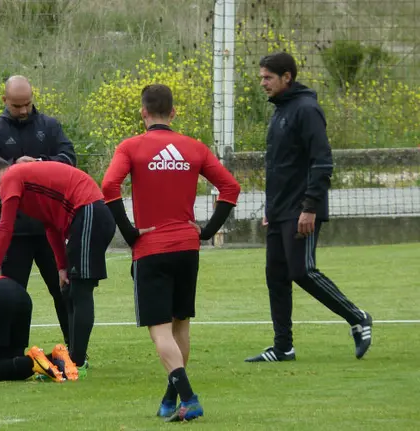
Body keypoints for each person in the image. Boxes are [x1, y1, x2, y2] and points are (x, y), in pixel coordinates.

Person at [101, 84, 241, 421]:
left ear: (142, 112)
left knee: (160, 330)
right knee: (181, 325)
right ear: (174, 113)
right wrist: (206, 231)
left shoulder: (131, 147)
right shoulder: (194, 148)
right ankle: (170, 397)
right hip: (187, 249)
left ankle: (189, 398)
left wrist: (130, 232)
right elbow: (230, 187)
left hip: (151, 249)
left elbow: (108, 186)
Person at [245, 52, 372, 363]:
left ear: (287, 76)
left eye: (267, 78)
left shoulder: (306, 109)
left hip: (301, 209)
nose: (262, 83)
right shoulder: (280, 111)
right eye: (261, 77)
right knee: (275, 275)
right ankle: (283, 347)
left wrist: (310, 207)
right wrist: (270, 208)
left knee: (302, 271)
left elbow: (322, 161)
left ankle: (358, 317)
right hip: (279, 210)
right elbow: (280, 166)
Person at [0, 156, 115, 379]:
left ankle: (76, 363)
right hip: (84, 217)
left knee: (80, 290)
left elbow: (6, 226)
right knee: (69, 290)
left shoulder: (12, 175)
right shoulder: (29, 194)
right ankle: (73, 360)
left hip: (89, 213)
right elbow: (51, 226)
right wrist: (61, 267)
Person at [0, 75, 77, 350]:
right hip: (15, 229)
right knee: (11, 294)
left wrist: (41, 164)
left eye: (27, 104)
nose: (23, 110)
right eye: (17, 105)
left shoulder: (50, 127)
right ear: (4, 101)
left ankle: (76, 348)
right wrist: (13, 168)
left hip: (48, 226)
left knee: (63, 288)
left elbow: (70, 158)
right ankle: (10, 351)